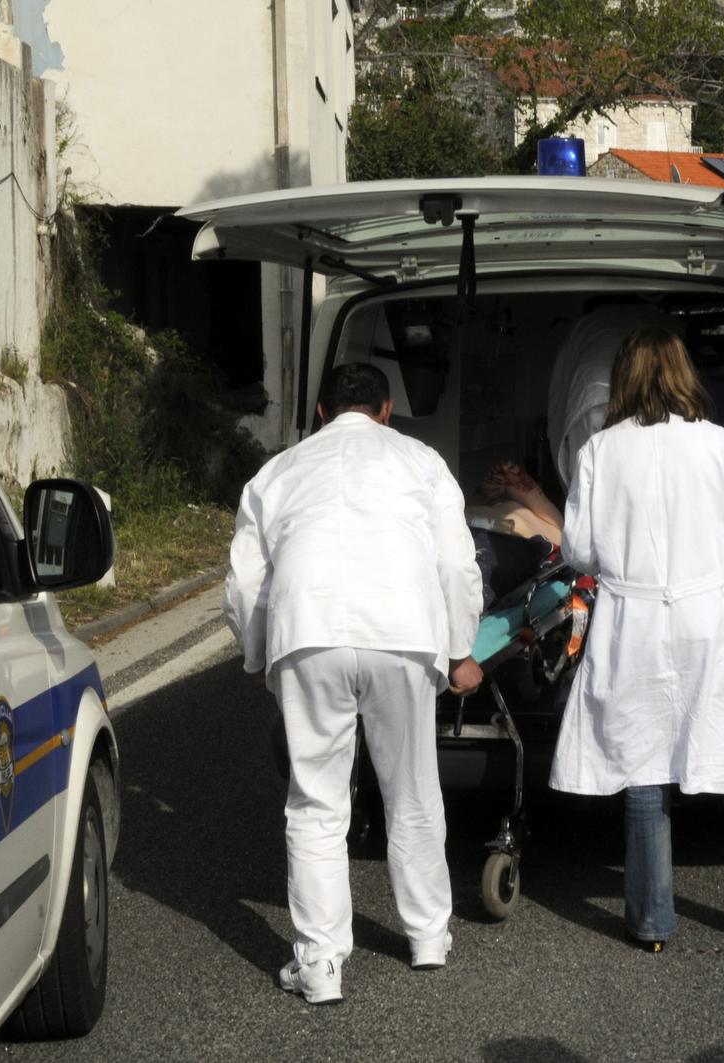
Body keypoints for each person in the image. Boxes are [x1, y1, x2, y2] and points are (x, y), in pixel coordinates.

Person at [223, 362, 485, 1005]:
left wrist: (257, 656)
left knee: (316, 800)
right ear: (387, 410)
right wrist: (460, 651)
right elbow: (455, 562)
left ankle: (319, 966)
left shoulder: (276, 473)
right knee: (412, 790)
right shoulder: (422, 461)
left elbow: (245, 583)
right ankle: (428, 937)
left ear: (319, 412)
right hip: (403, 631)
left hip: (308, 630)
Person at [548, 326, 724, 950]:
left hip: (631, 622)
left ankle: (651, 922)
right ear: (682, 374)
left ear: (622, 379)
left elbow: (580, 548)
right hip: (707, 621)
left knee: (644, 767)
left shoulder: (598, 452)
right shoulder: (719, 445)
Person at [545, 304, 676, 488]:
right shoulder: (660, 320)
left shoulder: (584, 327)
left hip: (591, 397)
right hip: (599, 397)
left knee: (588, 480)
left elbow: (558, 398)